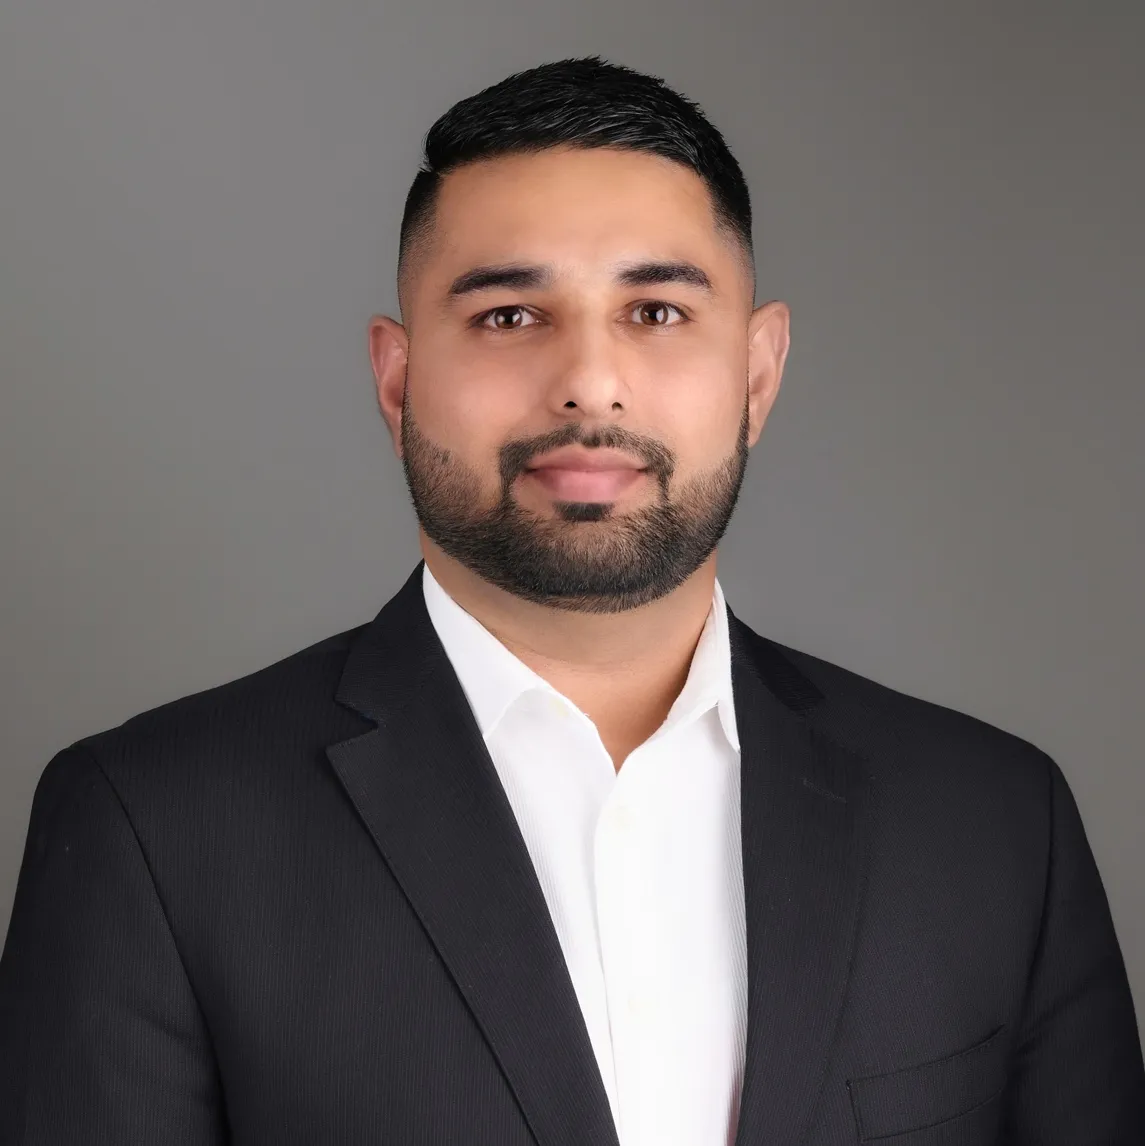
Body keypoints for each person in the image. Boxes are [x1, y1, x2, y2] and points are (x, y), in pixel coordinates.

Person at [1, 55, 1142, 1146]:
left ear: (757, 374)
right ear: (397, 382)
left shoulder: (994, 824)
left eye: (655, 313)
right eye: (506, 316)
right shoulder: (150, 830)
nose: (588, 381)